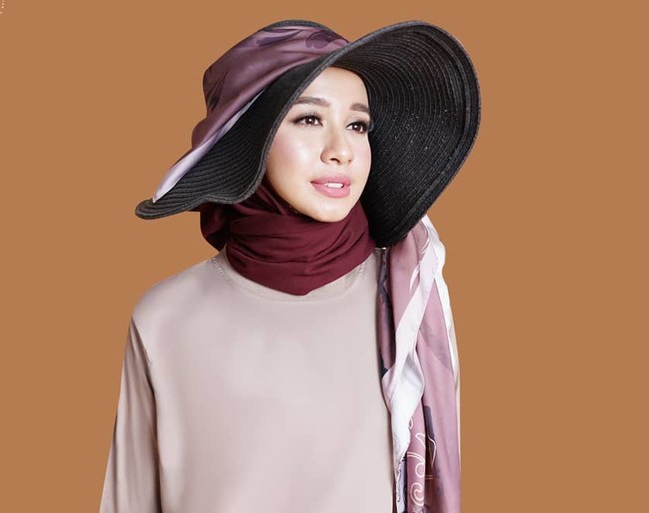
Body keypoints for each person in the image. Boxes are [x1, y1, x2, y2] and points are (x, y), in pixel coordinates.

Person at [98, 19, 480, 513]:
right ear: (251, 137)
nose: (341, 151)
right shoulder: (165, 316)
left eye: (358, 125)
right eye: (309, 119)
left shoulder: (408, 303)